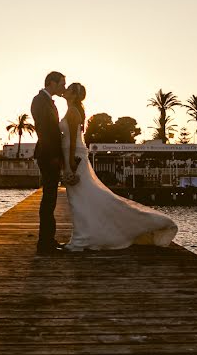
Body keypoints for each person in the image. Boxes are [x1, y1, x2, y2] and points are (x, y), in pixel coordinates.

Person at [60, 82, 177, 251]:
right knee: (82, 197)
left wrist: (70, 162)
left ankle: (81, 239)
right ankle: (81, 237)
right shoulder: (72, 110)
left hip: (75, 155)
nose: (65, 91)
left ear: (74, 95)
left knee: (79, 198)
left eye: (68, 89)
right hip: (73, 153)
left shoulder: (72, 112)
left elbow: (71, 140)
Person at [31, 71, 67, 254]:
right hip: (47, 154)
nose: (64, 87)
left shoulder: (46, 101)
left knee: (50, 199)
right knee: (49, 199)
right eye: (62, 83)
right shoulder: (39, 101)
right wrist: (54, 156)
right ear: (52, 83)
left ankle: (47, 240)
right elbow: (45, 131)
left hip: (50, 154)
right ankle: (44, 244)